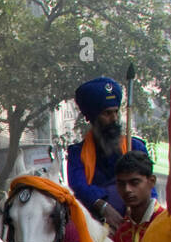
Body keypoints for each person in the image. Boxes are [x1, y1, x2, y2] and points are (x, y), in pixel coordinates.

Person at [65, 77, 157, 229]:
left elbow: (149, 188)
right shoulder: (77, 153)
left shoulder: (135, 146)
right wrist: (102, 206)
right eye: (107, 113)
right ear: (91, 117)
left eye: (116, 112)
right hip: (96, 227)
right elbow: (79, 186)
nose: (114, 118)